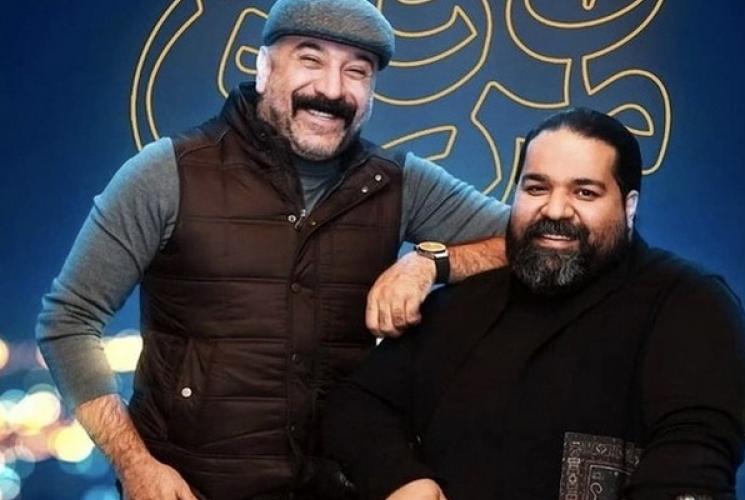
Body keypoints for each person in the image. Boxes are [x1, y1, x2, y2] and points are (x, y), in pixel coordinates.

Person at [35, 1, 510, 498]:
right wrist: (135, 465)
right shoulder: (167, 172)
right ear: (263, 68)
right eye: (310, 60)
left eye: (356, 71)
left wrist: (431, 262)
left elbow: (529, 240)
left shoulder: (399, 183)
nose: (332, 89)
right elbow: (69, 320)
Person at [322, 108, 745, 500]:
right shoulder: (461, 305)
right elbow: (357, 406)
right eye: (537, 187)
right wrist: (400, 478)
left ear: (629, 206)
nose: (555, 210)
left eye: (584, 192)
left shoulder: (692, 307)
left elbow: (691, 468)